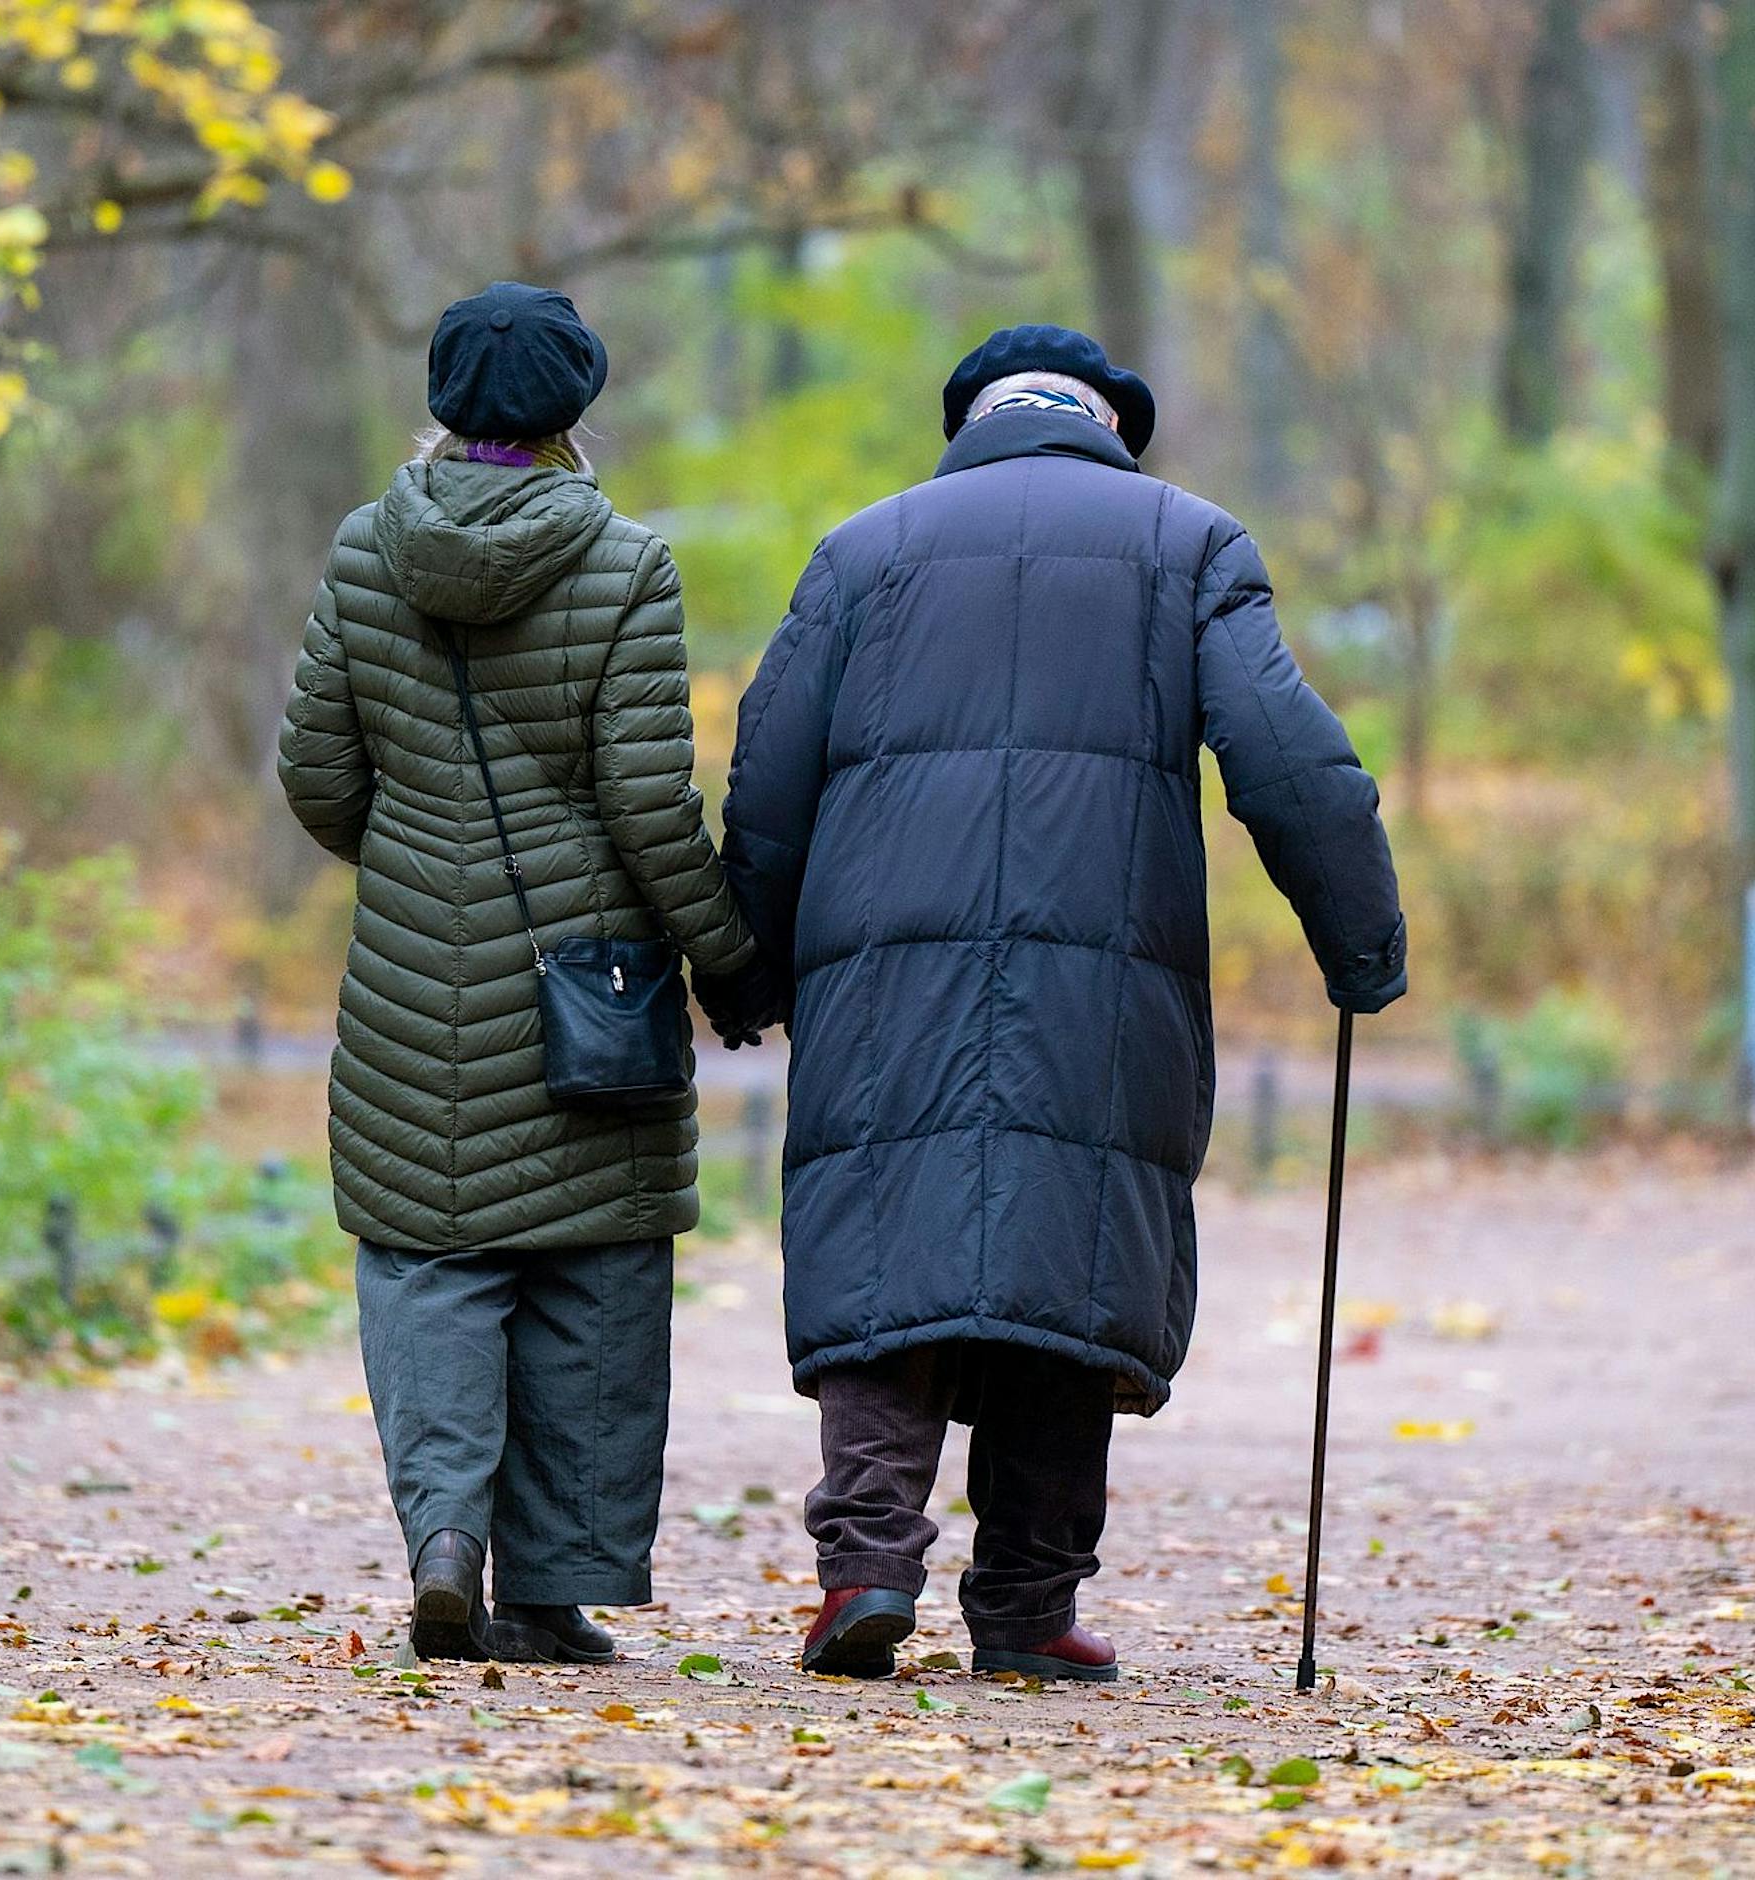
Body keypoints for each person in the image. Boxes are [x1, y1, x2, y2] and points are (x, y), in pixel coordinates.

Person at [714, 325, 1406, 1683]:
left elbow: (769, 782)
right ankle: (1028, 1607)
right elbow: (1295, 765)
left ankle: (864, 1567)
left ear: (968, 422)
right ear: (1111, 428)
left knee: (884, 1245)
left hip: (883, 977)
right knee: (1064, 1250)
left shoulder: (864, 551)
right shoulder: (1191, 543)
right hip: (1104, 972)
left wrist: (744, 967)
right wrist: (1359, 941)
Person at [277, 281, 769, 1666]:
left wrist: (422, 863)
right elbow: (646, 803)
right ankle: (551, 1595)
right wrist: (727, 959)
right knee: (590, 1275)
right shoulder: (623, 565)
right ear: (575, 409)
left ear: (444, 401)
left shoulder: (368, 549)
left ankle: (445, 1543)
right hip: (587, 986)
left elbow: (316, 772)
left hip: (406, 980)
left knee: (431, 1258)